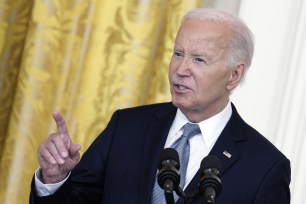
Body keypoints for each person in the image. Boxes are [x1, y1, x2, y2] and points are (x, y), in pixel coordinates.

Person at [30, 8, 291, 204]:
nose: (180, 69)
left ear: (234, 75)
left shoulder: (265, 168)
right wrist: (54, 180)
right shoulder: (126, 128)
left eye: (199, 60)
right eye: (178, 54)